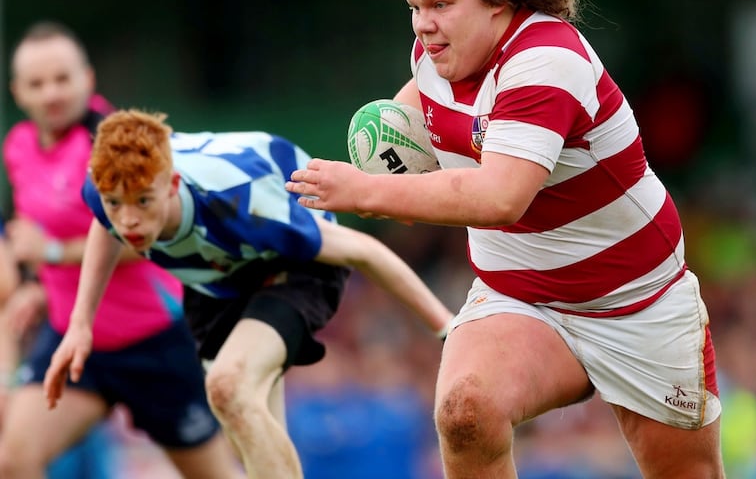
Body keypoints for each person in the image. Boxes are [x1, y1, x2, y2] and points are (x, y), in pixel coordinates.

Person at [286, 0, 724, 477]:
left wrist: (367, 191)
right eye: (415, 7)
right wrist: (394, 162)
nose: (423, 23)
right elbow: (417, 110)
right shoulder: (433, 53)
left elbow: (499, 198)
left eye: (441, 4)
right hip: (518, 296)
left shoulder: (546, 60)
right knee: (465, 411)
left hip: (633, 302)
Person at [43, 109, 455, 479]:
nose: (128, 220)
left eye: (143, 202)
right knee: (243, 427)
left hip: (291, 264)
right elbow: (105, 224)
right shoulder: (108, 188)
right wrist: (81, 323)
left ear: (171, 184)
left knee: (228, 385)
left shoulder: (239, 203)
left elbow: (365, 251)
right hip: (215, 280)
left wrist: (445, 328)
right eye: (115, 203)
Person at [3, 21, 244, 478]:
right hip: (75, 340)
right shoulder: (18, 147)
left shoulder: (115, 145)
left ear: (87, 80)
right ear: (18, 92)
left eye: (62, 78)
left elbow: (151, 235)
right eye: (37, 83)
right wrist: (36, 285)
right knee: (14, 461)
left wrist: (53, 251)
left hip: (154, 339)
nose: (51, 92)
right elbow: (32, 231)